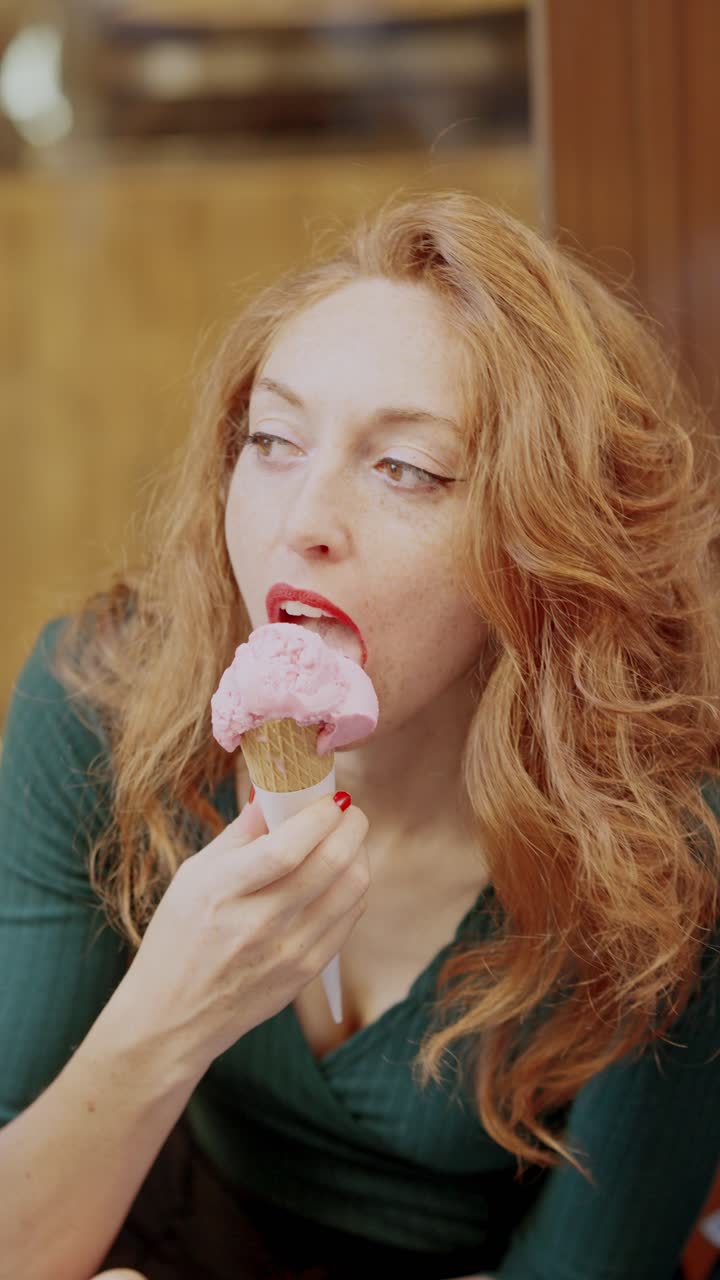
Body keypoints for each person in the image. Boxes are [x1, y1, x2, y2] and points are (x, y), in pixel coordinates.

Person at [0, 191, 718, 1280]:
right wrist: (173, 1009)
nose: (302, 523)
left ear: (543, 538)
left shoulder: (673, 848)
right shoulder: (96, 701)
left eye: (407, 469)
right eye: (274, 440)